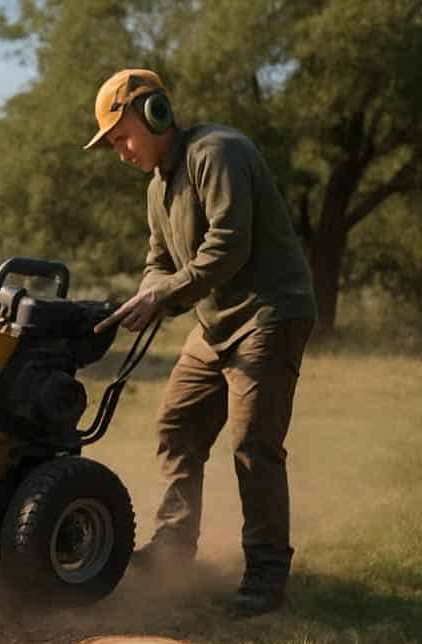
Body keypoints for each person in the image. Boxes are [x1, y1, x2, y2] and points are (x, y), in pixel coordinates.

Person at [87, 69, 317, 615]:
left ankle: (266, 577)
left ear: (154, 114)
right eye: (112, 144)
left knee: (253, 444)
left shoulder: (217, 152)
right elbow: (158, 261)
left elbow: (229, 245)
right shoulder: (156, 188)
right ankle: (172, 551)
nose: (121, 152)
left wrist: (164, 293)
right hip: (214, 327)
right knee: (177, 426)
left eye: (122, 137)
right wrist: (148, 294)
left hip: (267, 315)